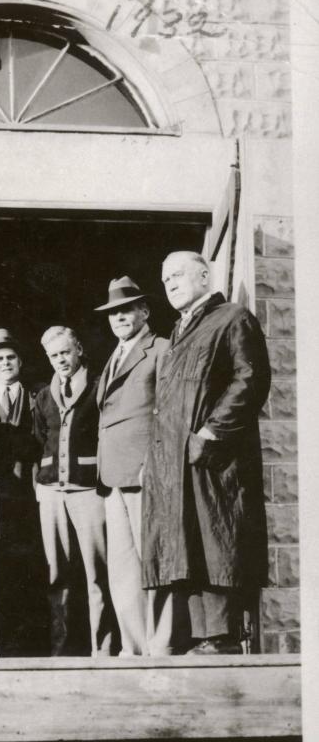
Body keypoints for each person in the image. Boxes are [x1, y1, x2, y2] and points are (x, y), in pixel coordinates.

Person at [141, 251, 271, 653]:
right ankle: (203, 638)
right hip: (178, 460)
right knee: (191, 545)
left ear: (203, 275)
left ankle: (222, 637)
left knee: (218, 542)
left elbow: (251, 379)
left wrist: (211, 434)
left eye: (178, 275)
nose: (170, 284)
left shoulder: (232, 318)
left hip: (213, 459)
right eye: (165, 280)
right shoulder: (181, 329)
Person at [95, 277, 188, 656]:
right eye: (113, 312)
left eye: (126, 309)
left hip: (145, 470)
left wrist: (156, 462)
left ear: (145, 312)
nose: (118, 317)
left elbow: (171, 411)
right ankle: (134, 650)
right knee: (122, 570)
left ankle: (160, 646)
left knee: (155, 562)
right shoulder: (113, 355)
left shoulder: (162, 348)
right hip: (113, 475)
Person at [33, 325, 118, 656]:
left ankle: (104, 648)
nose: (60, 361)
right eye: (53, 356)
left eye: (65, 352)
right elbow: (40, 439)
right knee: (57, 573)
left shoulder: (99, 386)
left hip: (89, 491)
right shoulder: (43, 396)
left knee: (98, 572)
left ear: (79, 350)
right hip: (52, 493)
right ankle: (62, 651)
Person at [0, 328, 45, 655]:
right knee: (0, 570)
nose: (5, 363)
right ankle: (4, 641)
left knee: (34, 567)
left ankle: (33, 641)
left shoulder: (40, 397)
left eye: (10, 357)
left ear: (21, 361)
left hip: (32, 497)